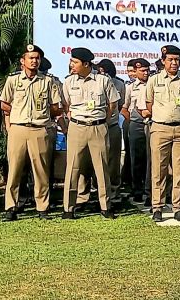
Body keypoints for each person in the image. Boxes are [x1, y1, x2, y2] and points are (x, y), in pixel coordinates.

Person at [0, 44, 63, 220]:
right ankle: (11, 207)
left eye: (37, 58)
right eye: (30, 58)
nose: (34, 61)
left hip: (39, 128)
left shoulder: (48, 81)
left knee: (41, 171)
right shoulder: (13, 80)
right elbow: (4, 103)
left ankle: (42, 208)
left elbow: (55, 107)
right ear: (22, 61)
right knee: (14, 170)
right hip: (18, 128)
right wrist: (16, 113)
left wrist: (42, 115)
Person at [142, 45, 180, 221]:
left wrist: (178, 115)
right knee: (159, 168)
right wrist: (163, 115)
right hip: (160, 127)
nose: (174, 63)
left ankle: (178, 207)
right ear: (163, 61)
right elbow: (149, 103)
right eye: (171, 60)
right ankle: (157, 206)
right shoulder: (154, 80)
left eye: (177, 60)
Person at [62, 46, 119, 219]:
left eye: (75, 62)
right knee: (72, 167)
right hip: (77, 127)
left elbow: (112, 105)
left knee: (102, 168)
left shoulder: (103, 80)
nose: (71, 65)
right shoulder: (69, 82)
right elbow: (66, 105)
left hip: (98, 127)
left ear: (86, 64)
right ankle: (68, 208)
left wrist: (102, 121)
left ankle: (105, 206)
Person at [97, 58, 126, 209]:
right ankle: (95, 193)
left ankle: (114, 193)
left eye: (105, 71)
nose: (102, 74)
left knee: (114, 162)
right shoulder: (95, 82)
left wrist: (110, 118)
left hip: (112, 126)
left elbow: (119, 106)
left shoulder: (120, 84)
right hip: (96, 126)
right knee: (96, 161)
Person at [121, 58, 151, 204]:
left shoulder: (154, 84)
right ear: (135, 71)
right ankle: (137, 189)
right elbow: (124, 108)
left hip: (152, 124)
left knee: (150, 159)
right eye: (142, 70)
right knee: (136, 159)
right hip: (136, 124)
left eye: (147, 70)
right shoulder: (131, 87)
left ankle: (149, 190)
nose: (145, 73)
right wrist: (133, 120)